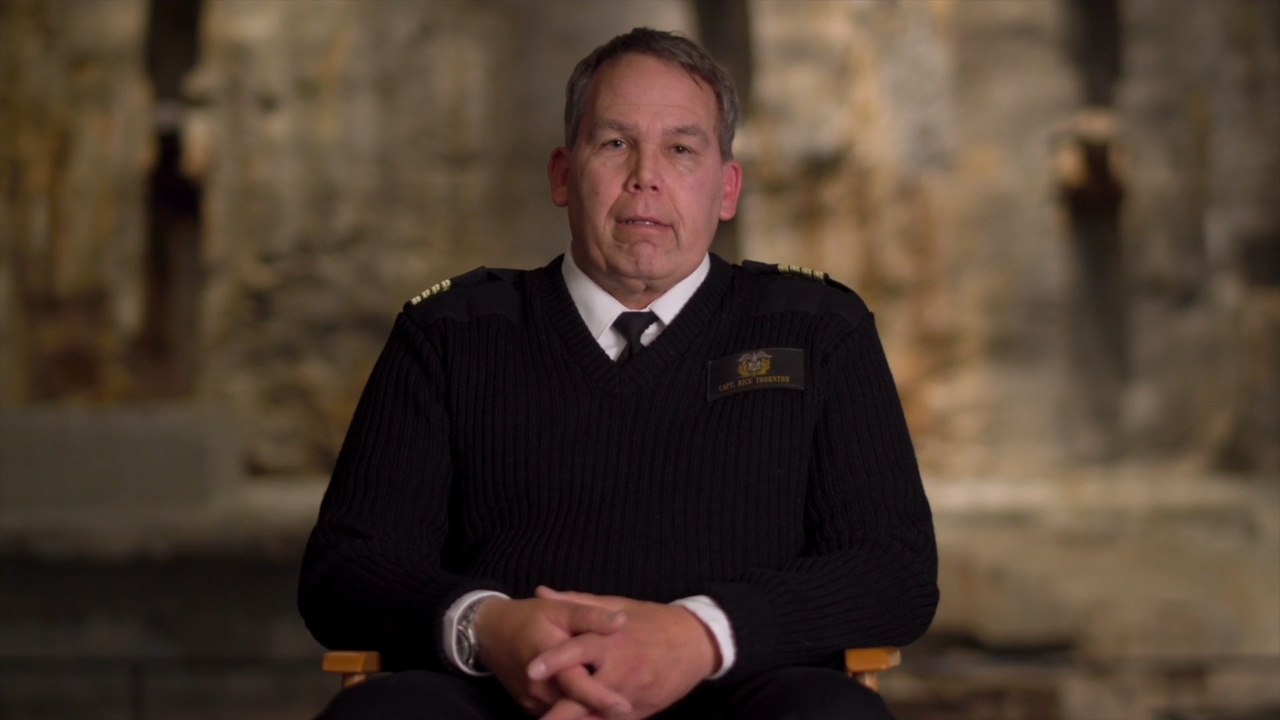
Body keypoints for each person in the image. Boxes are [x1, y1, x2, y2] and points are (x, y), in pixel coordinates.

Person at [300, 27, 937, 720]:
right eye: (614, 143)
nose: (645, 176)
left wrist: (700, 633)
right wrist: (486, 626)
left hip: (735, 693)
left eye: (682, 149)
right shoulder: (451, 334)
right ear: (562, 175)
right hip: (505, 695)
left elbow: (894, 568)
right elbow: (345, 567)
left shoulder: (817, 328)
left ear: (727, 189)